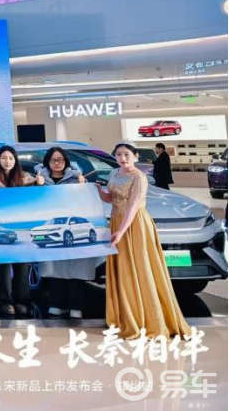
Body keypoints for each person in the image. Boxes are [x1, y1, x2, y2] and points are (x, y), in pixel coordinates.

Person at [97, 144, 189, 339]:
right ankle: (126, 315)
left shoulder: (139, 177)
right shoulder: (114, 173)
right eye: (119, 154)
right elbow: (111, 198)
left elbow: (133, 206)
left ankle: (147, 318)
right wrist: (97, 190)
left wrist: (121, 231)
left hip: (134, 225)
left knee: (140, 267)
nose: (123, 158)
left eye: (127, 154)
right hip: (117, 222)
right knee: (124, 268)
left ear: (135, 156)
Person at [35, 146, 94, 319]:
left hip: (74, 228)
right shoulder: (39, 178)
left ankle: (76, 305)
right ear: (47, 162)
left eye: (60, 159)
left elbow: (87, 201)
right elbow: (35, 203)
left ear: (66, 161)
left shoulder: (77, 178)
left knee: (77, 267)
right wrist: (38, 186)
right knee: (55, 267)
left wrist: (83, 186)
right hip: (54, 227)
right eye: (53, 160)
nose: (57, 163)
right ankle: (57, 303)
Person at [0, 146, 39, 317]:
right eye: (3, 158)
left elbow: (36, 199)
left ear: (15, 160)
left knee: (22, 265)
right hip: (0, 227)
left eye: (10, 158)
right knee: (2, 265)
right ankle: (4, 302)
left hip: (21, 228)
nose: (7, 161)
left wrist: (40, 185)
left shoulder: (27, 178)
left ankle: (23, 301)